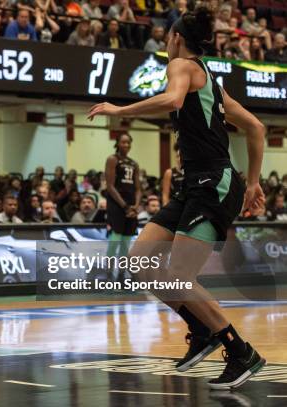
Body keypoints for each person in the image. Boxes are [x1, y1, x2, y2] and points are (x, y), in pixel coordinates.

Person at [88, 5, 266, 389]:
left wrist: (120, 109)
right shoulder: (211, 83)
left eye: (167, 37)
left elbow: (171, 100)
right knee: (140, 262)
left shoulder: (182, 66)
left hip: (213, 181)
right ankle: (201, 330)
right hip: (196, 184)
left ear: (175, 39)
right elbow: (256, 127)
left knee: (181, 275)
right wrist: (252, 182)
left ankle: (240, 351)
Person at [102, 133, 141, 283]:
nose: (126, 145)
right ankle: (108, 276)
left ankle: (121, 276)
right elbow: (110, 186)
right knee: (115, 240)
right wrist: (125, 206)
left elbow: (138, 188)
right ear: (118, 143)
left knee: (126, 243)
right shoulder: (112, 159)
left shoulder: (134, 163)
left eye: (128, 142)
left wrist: (136, 206)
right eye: (123, 142)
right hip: (117, 205)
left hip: (130, 205)